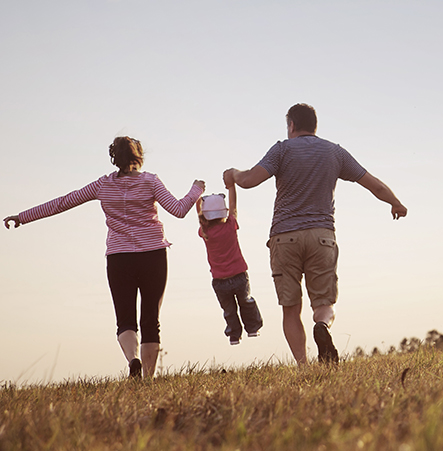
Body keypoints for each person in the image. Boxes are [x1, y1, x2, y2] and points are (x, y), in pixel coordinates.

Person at [4, 136, 205, 378]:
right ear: (139, 156)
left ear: (114, 158)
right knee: (151, 318)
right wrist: (196, 190)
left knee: (125, 320)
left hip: (120, 258)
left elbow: (63, 202)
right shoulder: (151, 181)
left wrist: (23, 217)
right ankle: (148, 382)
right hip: (153, 255)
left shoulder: (102, 185)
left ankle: (134, 361)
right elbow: (179, 210)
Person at [223, 103, 407, 364]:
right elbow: (373, 184)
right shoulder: (335, 152)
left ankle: (304, 366)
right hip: (322, 237)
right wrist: (395, 203)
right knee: (324, 305)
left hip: (284, 238)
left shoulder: (282, 150)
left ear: (291, 125)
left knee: (291, 308)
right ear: (314, 126)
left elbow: (250, 179)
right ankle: (322, 326)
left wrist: (233, 174)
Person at [196, 186, 263, 345]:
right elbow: (234, 206)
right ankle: (253, 328)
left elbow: (198, 213)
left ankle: (234, 335)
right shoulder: (231, 225)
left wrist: (198, 195)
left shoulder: (204, 231)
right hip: (239, 275)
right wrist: (232, 187)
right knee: (246, 302)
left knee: (229, 310)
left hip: (219, 281)